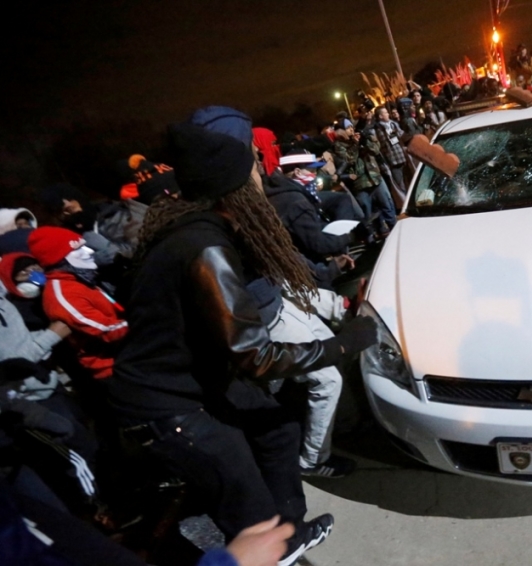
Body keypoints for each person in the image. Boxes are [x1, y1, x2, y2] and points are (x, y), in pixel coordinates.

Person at [107, 121, 377, 565]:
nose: (260, 175)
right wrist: (345, 343)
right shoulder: (204, 247)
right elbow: (256, 355)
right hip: (166, 405)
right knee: (247, 506)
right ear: (232, 188)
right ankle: (272, 545)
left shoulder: (201, 232)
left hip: (196, 381)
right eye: (252, 167)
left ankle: (288, 531)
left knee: (277, 428)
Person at [27, 227, 128, 382]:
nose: (89, 252)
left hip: (124, 353)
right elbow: (105, 330)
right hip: (114, 369)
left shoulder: (79, 278)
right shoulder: (62, 294)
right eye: (78, 248)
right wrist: (145, 323)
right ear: (59, 259)